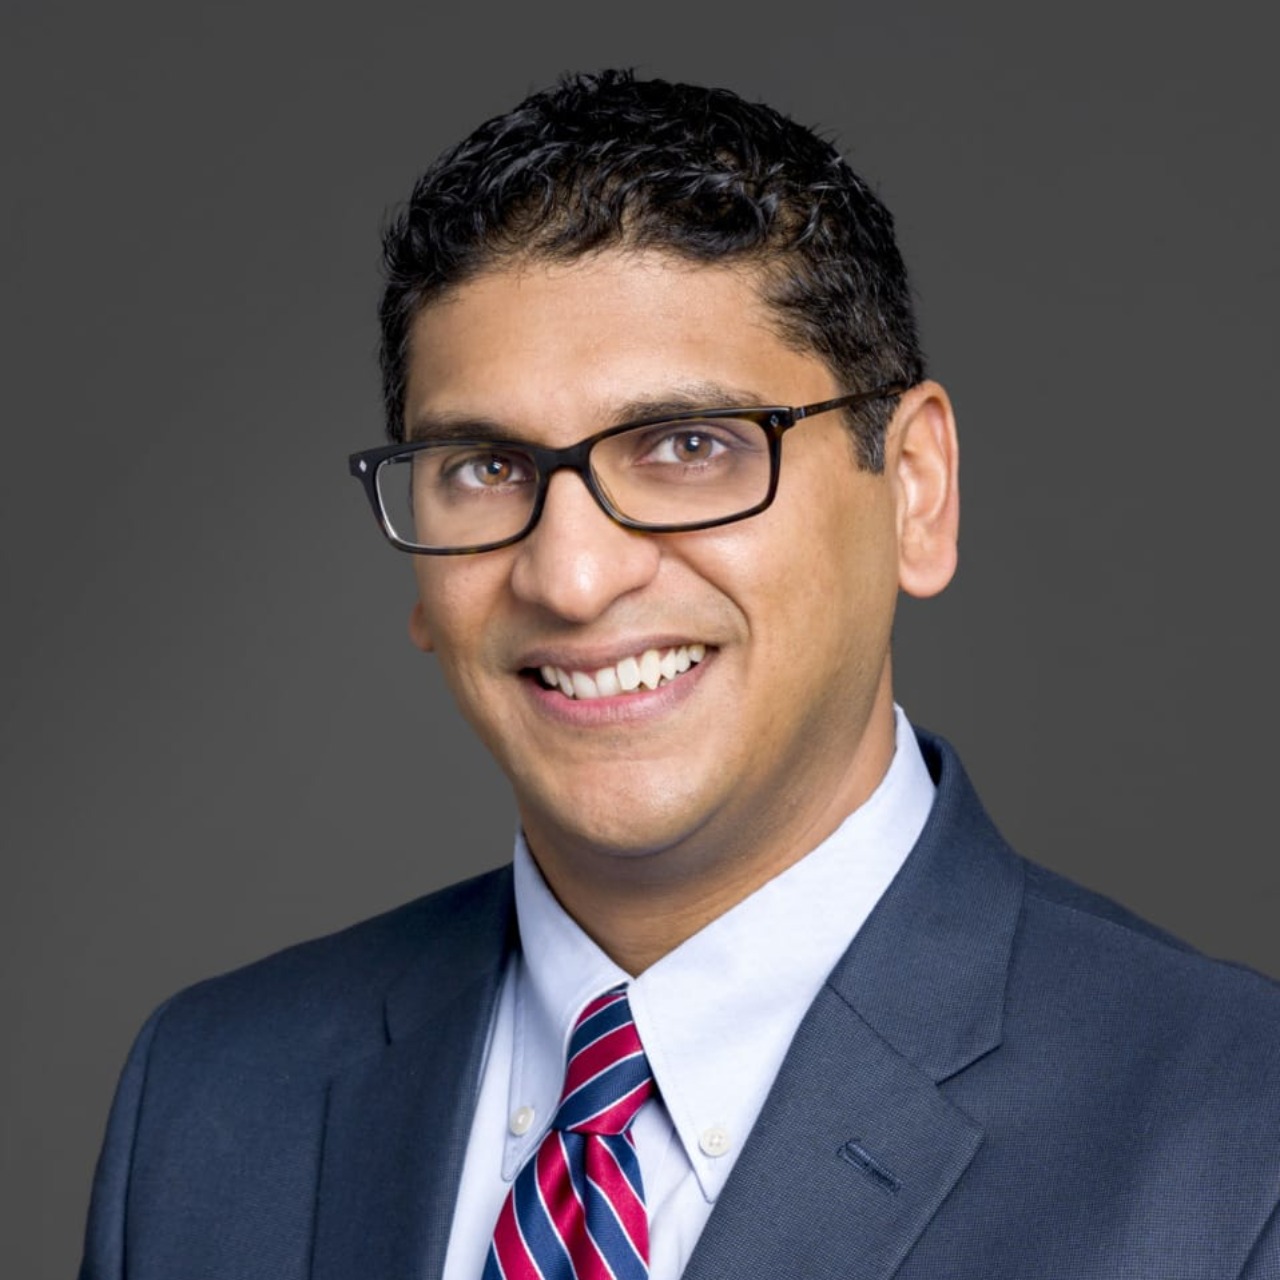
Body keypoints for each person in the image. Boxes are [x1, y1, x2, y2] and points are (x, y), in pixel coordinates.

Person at [80, 70, 1280, 1279]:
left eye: (687, 446)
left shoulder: (1236, 1132)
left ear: (914, 488)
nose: (571, 575)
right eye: (485, 468)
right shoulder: (209, 1096)